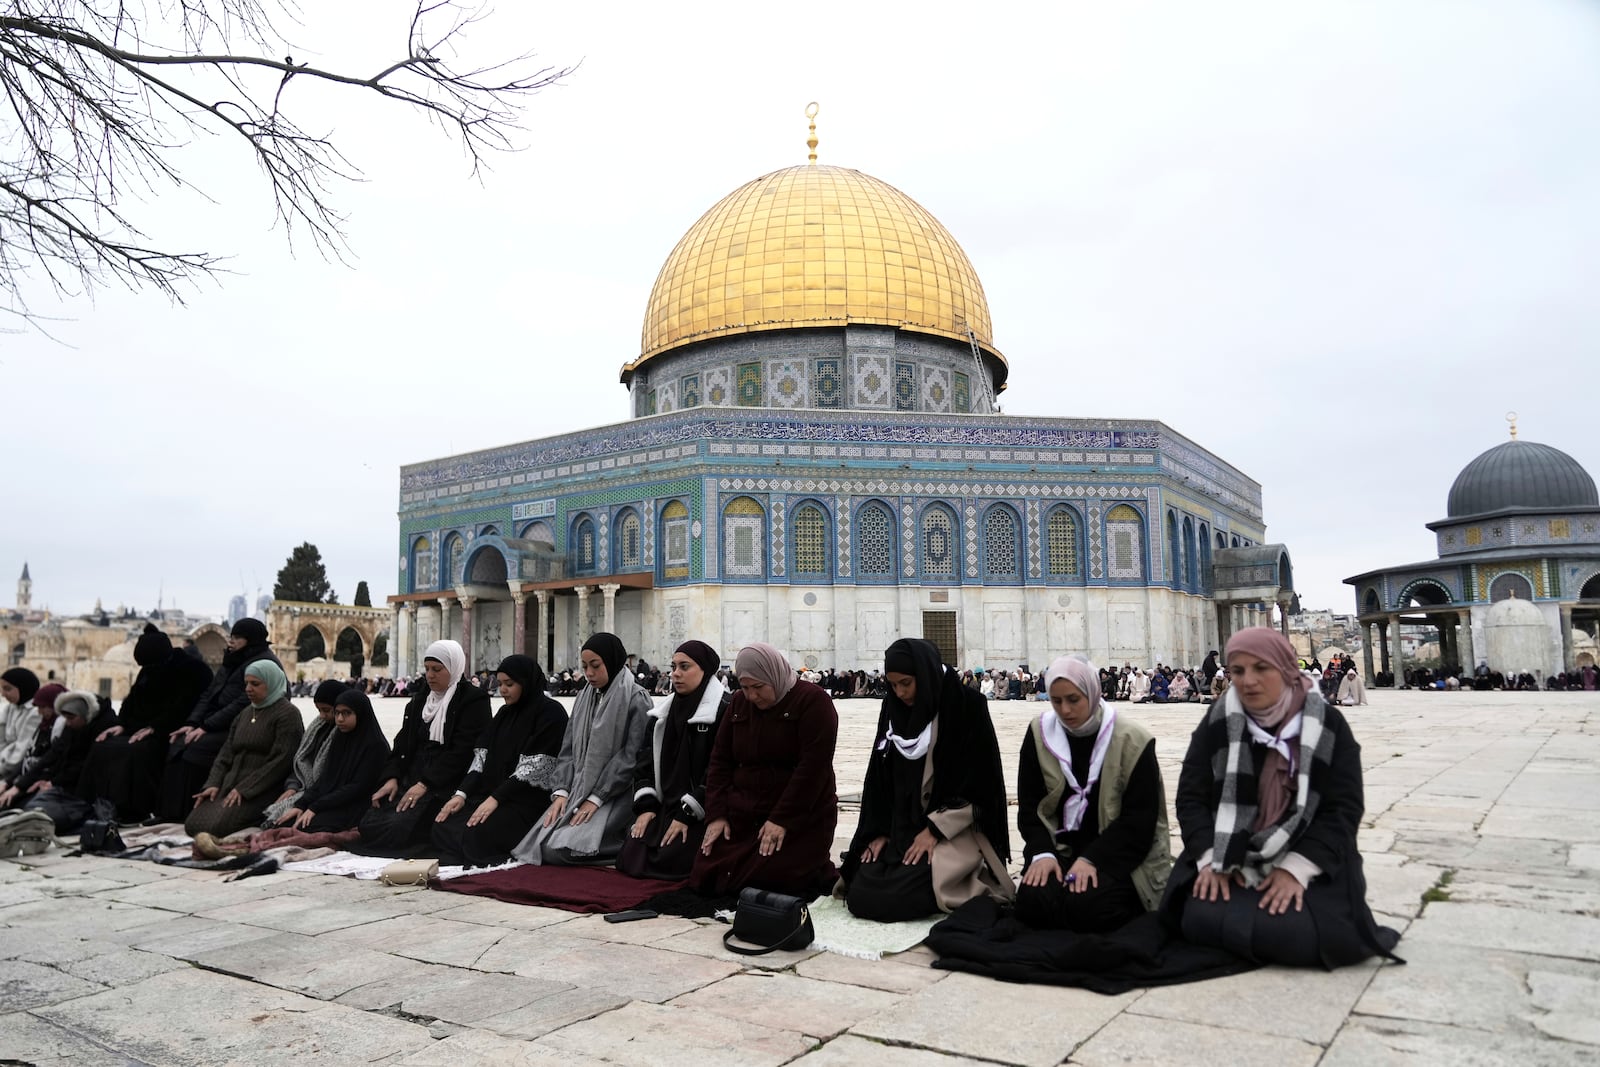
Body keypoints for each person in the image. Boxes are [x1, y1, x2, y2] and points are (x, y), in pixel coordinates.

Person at [1162, 627, 1401, 968]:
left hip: (1308, 855)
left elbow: (1343, 807)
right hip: (1227, 852)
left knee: (1299, 933)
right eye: (1238, 671)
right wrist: (1210, 860)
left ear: (1287, 669)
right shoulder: (1218, 721)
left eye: (1262, 669)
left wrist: (1295, 869)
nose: (1248, 681)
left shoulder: (1325, 724)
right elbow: (1191, 799)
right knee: (1198, 917)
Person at [840, 638, 1013, 921]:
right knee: (861, 892)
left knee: (895, 899)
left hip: (948, 831)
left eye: (906, 683)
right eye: (893, 685)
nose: (900, 692)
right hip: (899, 829)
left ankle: (967, 880)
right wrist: (879, 830)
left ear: (926, 673)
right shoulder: (893, 708)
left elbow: (983, 784)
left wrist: (934, 830)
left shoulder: (967, 707)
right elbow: (879, 778)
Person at [1014, 656, 1171, 932]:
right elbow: (1030, 807)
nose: (1065, 710)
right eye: (1056, 700)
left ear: (1092, 692)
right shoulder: (1040, 734)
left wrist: (1092, 859)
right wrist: (1042, 854)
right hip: (1059, 850)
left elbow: (1140, 820)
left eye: (1074, 699)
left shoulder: (1132, 740)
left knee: (1089, 907)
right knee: (1032, 901)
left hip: (1115, 853)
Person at [693, 643, 839, 899]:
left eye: (758, 688)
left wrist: (782, 819)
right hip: (744, 813)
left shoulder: (813, 701)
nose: (751, 696)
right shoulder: (738, 703)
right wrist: (716, 815)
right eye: (745, 687)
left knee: (770, 878)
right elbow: (719, 761)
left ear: (774, 675)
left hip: (799, 815)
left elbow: (813, 769)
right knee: (709, 874)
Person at [512, 634, 652, 866]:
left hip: (617, 793)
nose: (589, 673)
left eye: (595, 666)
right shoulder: (585, 696)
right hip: (578, 788)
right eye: (585, 667)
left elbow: (632, 756)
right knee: (542, 845)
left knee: (560, 850)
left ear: (613, 660)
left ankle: (625, 847)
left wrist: (598, 796)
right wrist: (562, 792)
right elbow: (568, 749)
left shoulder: (636, 697)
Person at [432, 655, 568, 867]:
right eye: (500, 684)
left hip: (525, 802)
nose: (502, 690)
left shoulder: (551, 713)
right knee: (442, 823)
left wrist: (495, 798)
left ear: (526, 682)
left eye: (509, 684)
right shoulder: (505, 713)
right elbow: (481, 759)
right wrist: (461, 794)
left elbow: (533, 768)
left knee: (475, 833)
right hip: (495, 795)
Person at [360, 639, 491, 855]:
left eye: (437, 669)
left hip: (444, 784)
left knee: (399, 829)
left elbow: (462, 752)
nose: (430, 675)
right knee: (368, 824)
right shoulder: (420, 700)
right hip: (412, 778)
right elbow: (402, 744)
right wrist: (391, 777)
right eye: (427, 669)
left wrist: (425, 784)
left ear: (455, 667)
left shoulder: (473, 700)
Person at [618, 640, 730, 881]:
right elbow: (644, 762)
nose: (675, 674)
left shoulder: (723, 711)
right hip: (666, 806)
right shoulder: (662, 716)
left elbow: (719, 770)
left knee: (675, 857)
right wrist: (646, 807)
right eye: (673, 666)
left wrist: (688, 813)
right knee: (631, 853)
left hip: (701, 809)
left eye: (684, 667)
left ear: (705, 670)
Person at [79, 625, 214, 822]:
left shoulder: (193, 670)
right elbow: (133, 699)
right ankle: (94, 804)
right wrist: (122, 724)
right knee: (103, 746)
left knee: (137, 751)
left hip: (170, 729)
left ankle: (133, 809)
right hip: (140, 727)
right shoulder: (151, 667)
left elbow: (184, 705)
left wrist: (155, 728)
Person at [159, 618, 280, 822]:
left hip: (243, 726)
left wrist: (206, 727)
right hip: (215, 723)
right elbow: (209, 694)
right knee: (177, 743)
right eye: (231, 636)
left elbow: (243, 703)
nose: (231, 641)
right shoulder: (232, 659)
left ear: (250, 640)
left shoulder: (263, 663)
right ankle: (168, 811)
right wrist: (192, 723)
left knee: (195, 750)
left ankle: (187, 811)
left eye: (237, 637)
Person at [184, 660, 304, 838]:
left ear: (271, 683)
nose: (248, 688)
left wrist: (246, 789)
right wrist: (213, 784)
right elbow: (225, 754)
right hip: (230, 786)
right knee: (193, 825)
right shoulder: (245, 713)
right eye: (246, 683)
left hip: (261, 790)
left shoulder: (287, 714)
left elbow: (281, 761)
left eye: (255, 684)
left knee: (216, 828)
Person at [273, 688, 391, 833]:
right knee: (285, 822)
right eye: (337, 713)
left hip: (356, 805)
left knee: (306, 826)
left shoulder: (375, 746)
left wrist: (316, 807)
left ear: (360, 713)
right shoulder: (340, 739)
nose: (340, 719)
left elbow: (358, 788)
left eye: (347, 713)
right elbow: (326, 779)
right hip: (332, 802)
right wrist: (301, 805)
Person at [11, 690, 117, 831]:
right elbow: (53, 755)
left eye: (71, 718)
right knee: (22, 808)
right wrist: (19, 785)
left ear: (85, 716)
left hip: (84, 795)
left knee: (37, 816)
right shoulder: (70, 729)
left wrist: (53, 782)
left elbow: (85, 766)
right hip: (61, 786)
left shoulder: (102, 732)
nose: (67, 723)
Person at [260, 680, 346, 826]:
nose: (322, 716)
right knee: (272, 811)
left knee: (290, 822)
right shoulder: (318, 728)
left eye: (326, 710)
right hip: (306, 788)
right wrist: (292, 787)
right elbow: (302, 761)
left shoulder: (343, 732)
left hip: (324, 793)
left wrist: (306, 800)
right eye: (319, 710)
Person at [0, 667, 42, 788]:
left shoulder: (35, 712)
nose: (2, 694)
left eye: (7, 689)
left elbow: (21, 750)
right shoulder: (10, 708)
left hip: (13, 772)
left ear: (23, 688)